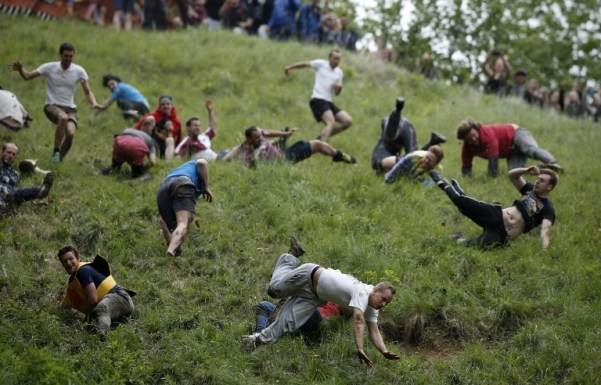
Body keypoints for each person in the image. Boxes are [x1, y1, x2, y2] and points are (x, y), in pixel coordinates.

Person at [243, 237, 400, 367]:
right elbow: (359, 321)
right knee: (273, 290)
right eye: (384, 299)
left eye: (388, 303)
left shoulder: (372, 307)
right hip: (309, 275)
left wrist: (384, 351)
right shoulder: (363, 291)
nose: (384, 304)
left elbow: (374, 330)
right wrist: (359, 348)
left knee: (286, 325)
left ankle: (253, 341)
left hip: (315, 297)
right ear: (375, 291)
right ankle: (291, 256)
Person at [429, 166, 558, 250]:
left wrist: (544, 250)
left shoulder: (548, 208)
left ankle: (458, 237)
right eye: (537, 178)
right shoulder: (529, 189)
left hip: (502, 235)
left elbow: (545, 230)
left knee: (471, 246)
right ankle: (442, 182)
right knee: (460, 202)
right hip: (496, 215)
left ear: (549, 187)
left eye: (542, 180)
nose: (537, 181)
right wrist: (525, 170)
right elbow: (512, 176)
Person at [10, 42, 100, 162]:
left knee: (71, 133)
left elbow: (88, 91)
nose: (68, 59)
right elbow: (27, 76)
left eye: (71, 56)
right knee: (62, 118)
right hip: (52, 106)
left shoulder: (79, 71)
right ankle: (56, 152)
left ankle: (58, 161)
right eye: (66, 56)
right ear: (60, 55)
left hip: (70, 109)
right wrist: (21, 69)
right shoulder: (50, 67)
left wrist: (94, 103)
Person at [58, 245, 135, 338]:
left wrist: (87, 315)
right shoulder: (73, 280)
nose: (68, 263)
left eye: (71, 259)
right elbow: (66, 303)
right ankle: (100, 342)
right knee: (89, 330)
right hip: (115, 310)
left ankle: (101, 338)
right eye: (65, 261)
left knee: (100, 309)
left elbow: (93, 300)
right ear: (62, 265)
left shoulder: (83, 271)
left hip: (120, 298)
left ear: (78, 258)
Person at [285, 49, 352, 142]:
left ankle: (320, 139)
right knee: (331, 122)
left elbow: (337, 93)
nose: (337, 61)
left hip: (329, 102)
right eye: (335, 58)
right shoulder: (321, 64)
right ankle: (322, 145)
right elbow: (305, 64)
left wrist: (338, 89)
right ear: (329, 58)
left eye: (339, 59)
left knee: (347, 121)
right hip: (318, 99)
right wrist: (289, 67)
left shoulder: (339, 72)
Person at [456, 119, 563, 177]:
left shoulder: (485, 134)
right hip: (511, 152)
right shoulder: (467, 147)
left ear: (476, 129)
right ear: (465, 140)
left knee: (530, 150)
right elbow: (466, 166)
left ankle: (553, 162)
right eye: (470, 139)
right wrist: (468, 178)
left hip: (516, 134)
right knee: (515, 173)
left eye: (474, 135)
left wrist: (491, 177)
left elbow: (493, 159)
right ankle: (546, 168)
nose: (473, 139)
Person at [372, 97, 446, 174]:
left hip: (401, 142)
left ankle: (433, 141)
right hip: (388, 145)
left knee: (410, 163)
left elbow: (412, 156)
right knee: (378, 163)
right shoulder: (387, 123)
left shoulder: (406, 129)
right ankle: (433, 141)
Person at [222, 125, 356, 167]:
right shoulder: (247, 151)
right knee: (317, 144)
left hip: (284, 152)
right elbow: (239, 162)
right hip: (284, 163)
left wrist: (285, 133)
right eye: (257, 138)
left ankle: (340, 156)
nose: (260, 138)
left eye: (260, 136)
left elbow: (269, 132)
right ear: (249, 139)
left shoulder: (260, 134)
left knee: (317, 144)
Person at [157, 159, 213, 257]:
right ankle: (170, 251)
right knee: (183, 222)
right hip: (182, 183)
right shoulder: (195, 165)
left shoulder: (179, 170)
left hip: (163, 187)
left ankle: (173, 248)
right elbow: (202, 162)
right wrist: (206, 187)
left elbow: (162, 221)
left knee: (166, 222)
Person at [254, 299, 346, 344]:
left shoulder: (343, 306)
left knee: (312, 310)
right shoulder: (326, 293)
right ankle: (259, 336)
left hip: (312, 319)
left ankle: (282, 323)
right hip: (298, 310)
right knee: (264, 305)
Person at [0, 143, 53, 212]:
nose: (10, 155)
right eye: (8, 152)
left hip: (10, 198)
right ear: (1, 153)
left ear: (15, 158)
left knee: (20, 192)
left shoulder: (15, 174)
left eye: (13, 154)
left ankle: (39, 191)